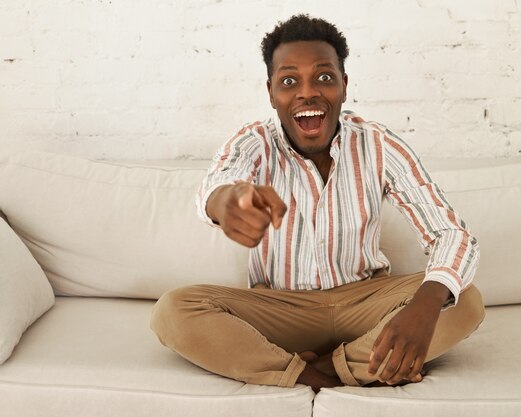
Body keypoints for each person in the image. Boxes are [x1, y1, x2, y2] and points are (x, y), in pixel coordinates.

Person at [151, 14, 484, 393]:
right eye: (289, 81)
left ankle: (314, 369)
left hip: (364, 300)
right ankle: (330, 373)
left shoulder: (378, 144)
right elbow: (219, 181)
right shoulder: (255, 141)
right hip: (279, 309)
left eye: (324, 77)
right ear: (271, 91)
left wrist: (425, 306)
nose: (307, 92)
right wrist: (225, 200)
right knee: (173, 310)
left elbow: (450, 232)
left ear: (344, 85)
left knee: (464, 300)